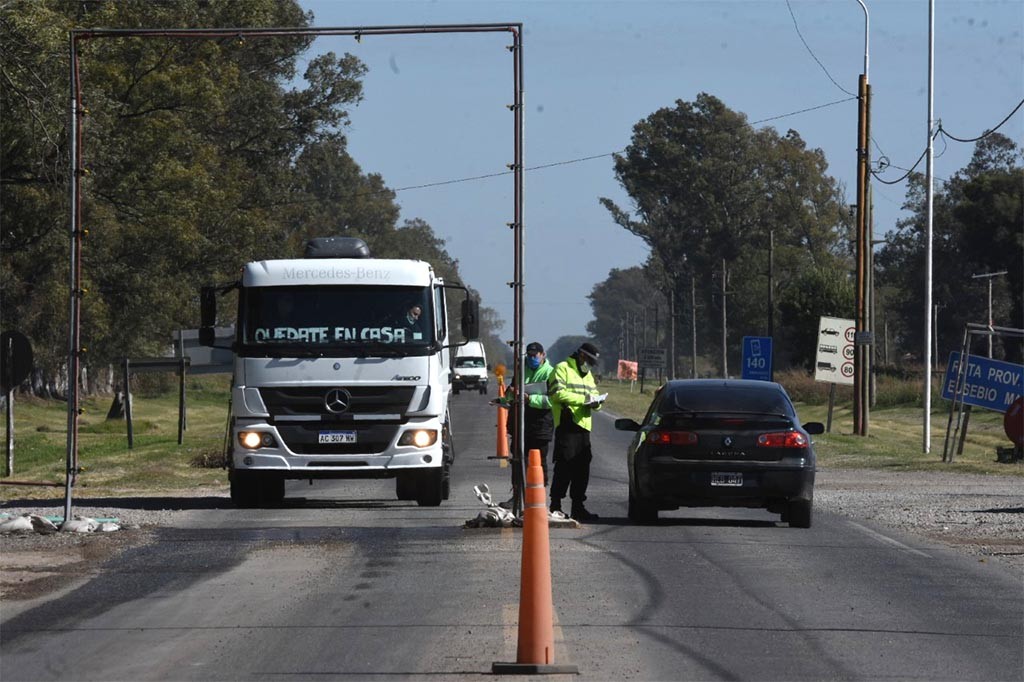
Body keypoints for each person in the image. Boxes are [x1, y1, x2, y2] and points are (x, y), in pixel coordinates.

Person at [547, 342, 603, 521]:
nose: (591, 365)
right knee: (564, 465)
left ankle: (578, 507)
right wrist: (583, 399)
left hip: (584, 426)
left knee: (582, 468)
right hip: (567, 423)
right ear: (581, 356)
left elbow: (594, 394)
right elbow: (556, 394)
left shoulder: (587, 375)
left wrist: (597, 402)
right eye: (590, 361)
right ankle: (556, 505)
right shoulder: (561, 368)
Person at [500, 342, 555, 506]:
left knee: (538, 460)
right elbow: (510, 394)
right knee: (517, 459)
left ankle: (539, 496)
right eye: (529, 355)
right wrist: (508, 395)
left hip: (540, 424)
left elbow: (553, 400)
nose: (532, 358)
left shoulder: (550, 373)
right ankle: (517, 495)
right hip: (520, 422)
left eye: (535, 355)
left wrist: (530, 399)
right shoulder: (521, 370)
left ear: (543, 355)